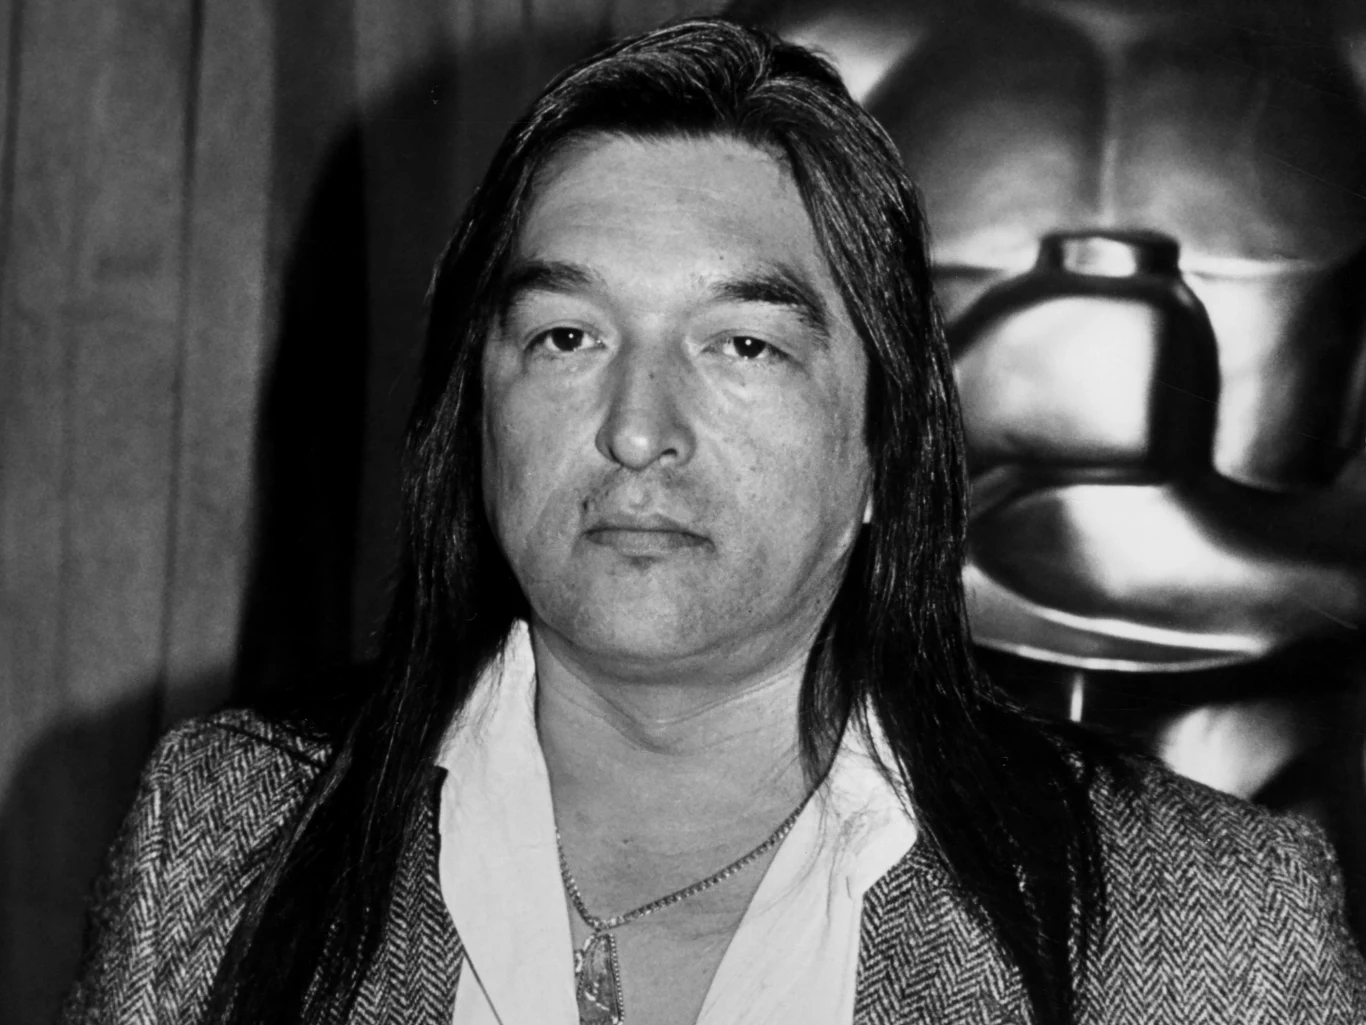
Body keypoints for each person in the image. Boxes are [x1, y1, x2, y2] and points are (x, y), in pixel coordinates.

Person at [62, 17, 1365, 1025]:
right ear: (474, 418)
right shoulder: (228, 839)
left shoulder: (1199, 925)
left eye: (742, 345)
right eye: (566, 337)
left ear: (881, 448)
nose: (638, 430)